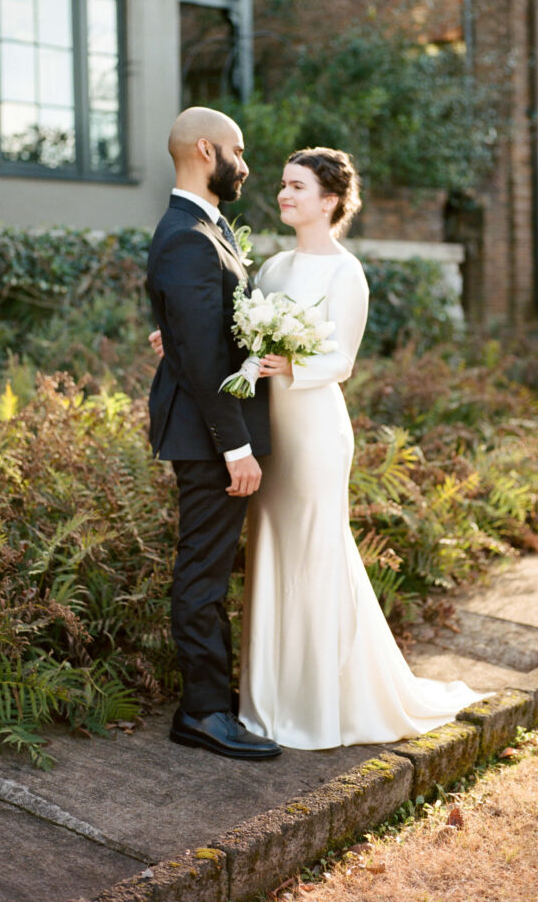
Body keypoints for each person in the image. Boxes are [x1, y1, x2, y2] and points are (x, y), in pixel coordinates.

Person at [151, 143, 484, 752]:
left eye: (298, 187)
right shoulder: (271, 267)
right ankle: (269, 697)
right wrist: (173, 335)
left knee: (314, 554)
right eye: (283, 184)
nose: (284, 194)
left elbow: (344, 361)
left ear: (330, 201)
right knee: (272, 556)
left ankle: (321, 702)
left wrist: (289, 365)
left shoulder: (344, 271)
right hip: (264, 430)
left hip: (314, 429)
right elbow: (223, 332)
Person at [146, 106, 280, 761]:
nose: (245, 164)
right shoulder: (186, 235)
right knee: (202, 576)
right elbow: (201, 359)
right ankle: (201, 712)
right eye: (237, 150)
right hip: (208, 439)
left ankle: (211, 700)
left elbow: (198, 332)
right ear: (206, 149)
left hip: (210, 430)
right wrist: (235, 446)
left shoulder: (206, 227)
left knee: (209, 572)